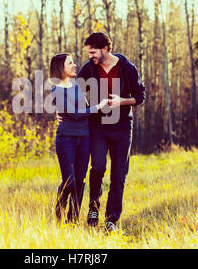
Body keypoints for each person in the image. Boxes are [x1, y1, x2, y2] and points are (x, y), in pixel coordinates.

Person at [57, 32, 146, 233]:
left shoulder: (127, 68)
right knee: (97, 168)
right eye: (89, 53)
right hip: (97, 127)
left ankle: (111, 220)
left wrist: (121, 101)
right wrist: (61, 110)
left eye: (93, 52)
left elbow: (140, 97)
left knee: (118, 175)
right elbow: (72, 92)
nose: (90, 56)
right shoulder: (90, 68)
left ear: (105, 48)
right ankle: (94, 207)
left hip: (122, 127)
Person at [49, 53, 109, 224]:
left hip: (84, 138)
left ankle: (73, 219)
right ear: (61, 67)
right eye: (70, 63)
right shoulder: (56, 90)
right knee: (69, 181)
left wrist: (100, 106)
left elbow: (85, 110)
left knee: (80, 182)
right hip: (66, 139)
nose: (74, 65)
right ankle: (59, 213)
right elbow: (75, 114)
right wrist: (99, 107)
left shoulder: (76, 86)